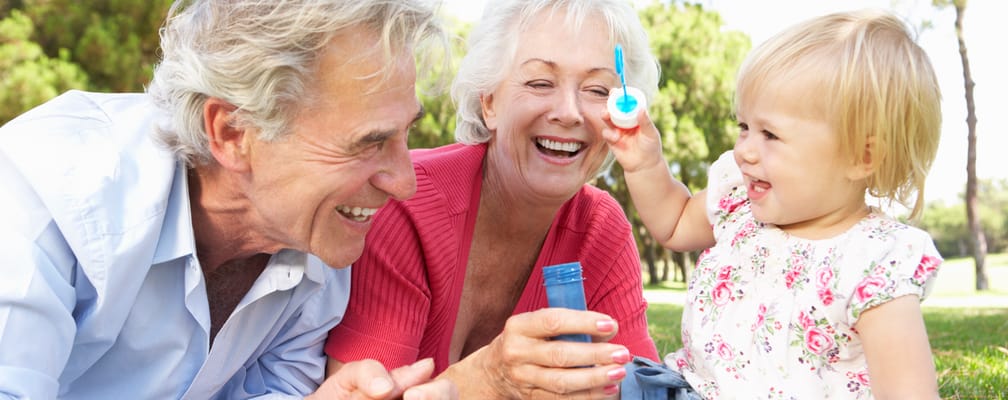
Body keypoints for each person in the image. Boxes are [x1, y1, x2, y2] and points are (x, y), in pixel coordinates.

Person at [0, 1, 457, 399]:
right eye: (368, 142)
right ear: (232, 133)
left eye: (406, 133)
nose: (404, 184)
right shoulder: (49, 188)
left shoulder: (320, 250)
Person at [324, 0, 661, 398]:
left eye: (598, 90)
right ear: (489, 103)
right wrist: (488, 383)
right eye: (539, 82)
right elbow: (368, 392)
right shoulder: (405, 202)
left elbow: (643, 388)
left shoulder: (603, 232)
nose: (569, 113)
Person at [604, 9, 943, 399]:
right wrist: (646, 163)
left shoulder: (873, 260)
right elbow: (675, 221)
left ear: (861, 157)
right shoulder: (739, 204)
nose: (745, 150)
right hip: (688, 389)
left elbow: (908, 391)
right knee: (604, 382)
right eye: (744, 127)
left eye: (771, 134)